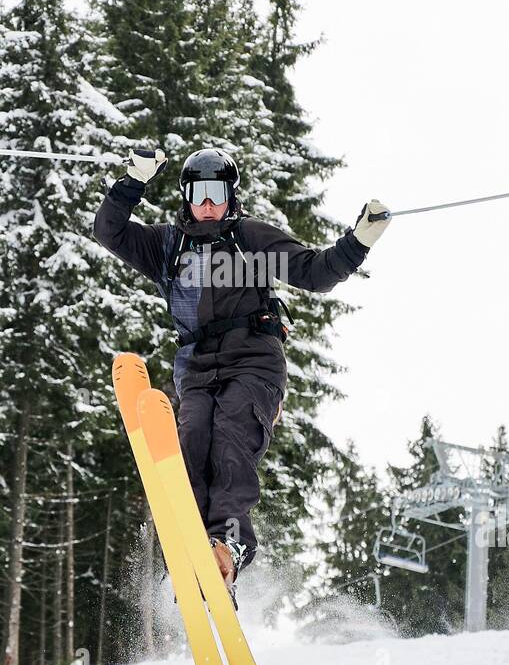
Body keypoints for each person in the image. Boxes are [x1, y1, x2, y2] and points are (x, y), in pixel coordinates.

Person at [94, 145, 389, 603]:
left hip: (254, 362)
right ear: (186, 197)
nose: (207, 203)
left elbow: (314, 272)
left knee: (231, 438)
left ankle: (227, 544)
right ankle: (192, 552)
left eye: (217, 192)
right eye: (198, 192)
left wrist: (358, 242)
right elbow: (109, 231)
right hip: (196, 368)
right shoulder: (166, 247)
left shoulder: (249, 241)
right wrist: (133, 181)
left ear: (231, 197)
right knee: (190, 443)